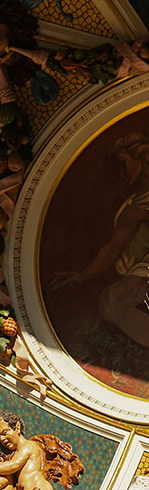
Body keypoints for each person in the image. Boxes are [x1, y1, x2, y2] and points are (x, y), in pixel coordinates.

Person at [53, 130, 149, 349]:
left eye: (123, 162)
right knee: (111, 304)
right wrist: (84, 275)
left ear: (140, 156)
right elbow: (115, 245)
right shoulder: (136, 205)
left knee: (112, 303)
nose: (120, 172)